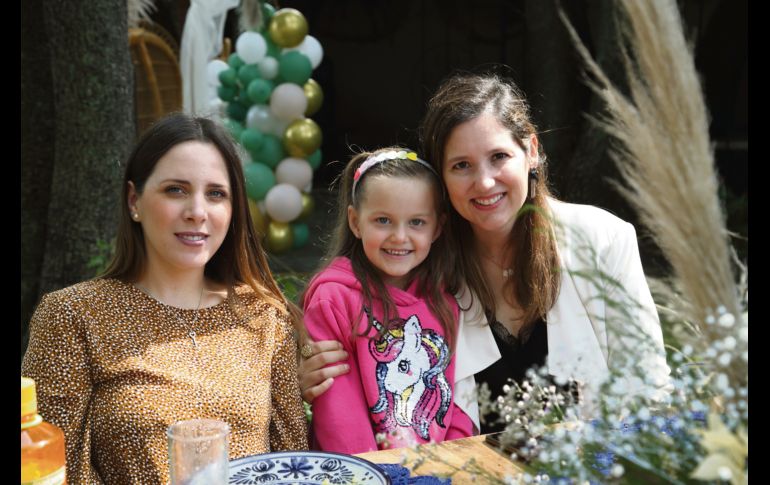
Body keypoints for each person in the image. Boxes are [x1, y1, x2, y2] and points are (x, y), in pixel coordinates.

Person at [299, 72, 671, 434]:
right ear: (440, 178)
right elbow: (376, 370)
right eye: (462, 165)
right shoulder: (422, 265)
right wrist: (311, 374)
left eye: (498, 157)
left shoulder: (603, 241)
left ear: (532, 152)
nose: (485, 182)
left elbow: (647, 389)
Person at [21, 113, 308, 483]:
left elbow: (294, 464)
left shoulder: (263, 315)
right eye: (176, 189)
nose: (197, 212)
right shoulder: (74, 316)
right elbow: (53, 471)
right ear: (134, 200)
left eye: (216, 194)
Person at [301, 147, 475, 453]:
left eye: (417, 222)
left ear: (438, 227)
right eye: (383, 220)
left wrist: (455, 465)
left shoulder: (448, 298)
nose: (399, 236)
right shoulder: (334, 299)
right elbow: (339, 417)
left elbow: (459, 398)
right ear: (356, 222)